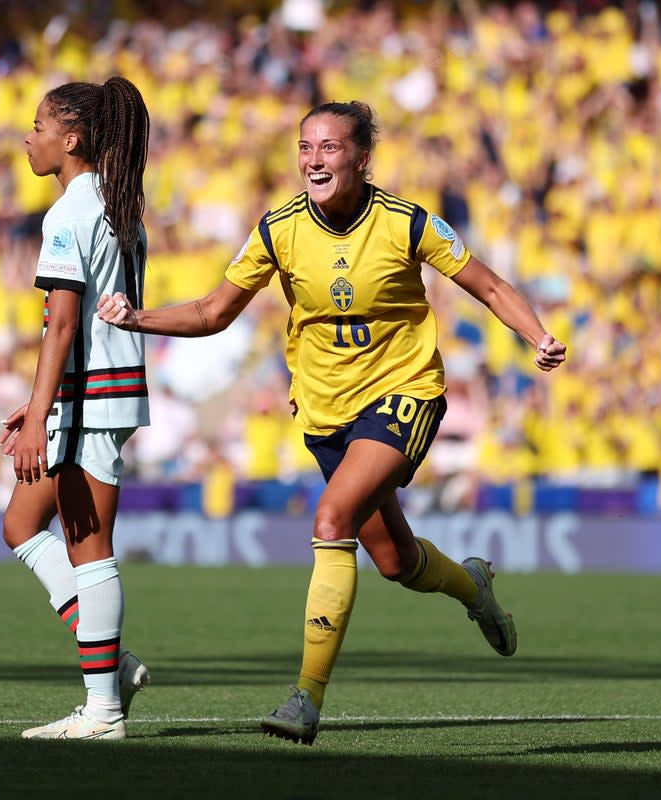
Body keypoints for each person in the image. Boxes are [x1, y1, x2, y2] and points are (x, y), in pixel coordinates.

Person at [98, 100, 566, 745]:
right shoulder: (278, 229)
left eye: (329, 147)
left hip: (405, 393)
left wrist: (536, 334)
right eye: (305, 147)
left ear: (361, 157)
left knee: (331, 520)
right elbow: (212, 312)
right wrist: (135, 317)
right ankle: (474, 588)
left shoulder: (407, 223)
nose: (314, 159)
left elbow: (486, 285)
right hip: (325, 412)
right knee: (397, 561)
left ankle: (305, 698)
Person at [0, 76, 153, 741]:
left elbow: (61, 324)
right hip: (88, 393)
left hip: (91, 396)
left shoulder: (68, 213)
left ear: (71, 137)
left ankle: (103, 711)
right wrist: (36, 404)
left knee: (90, 550)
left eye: (37, 127)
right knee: (21, 525)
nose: (27, 138)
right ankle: (111, 662)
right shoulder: (114, 205)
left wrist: (40, 414)